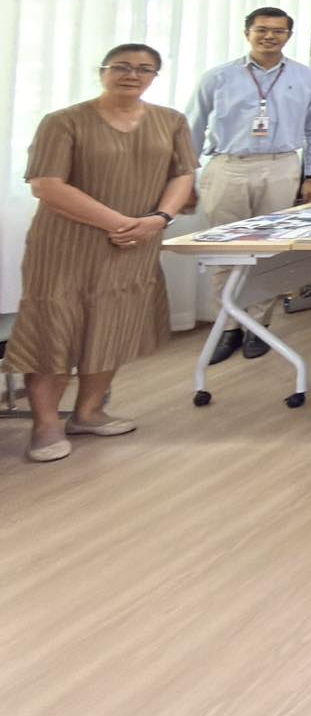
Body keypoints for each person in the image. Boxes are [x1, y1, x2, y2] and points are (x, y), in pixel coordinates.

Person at [9, 43, 196, 463]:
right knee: (54, 328)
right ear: (102, 72)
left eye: (144, 69)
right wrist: (120, 223)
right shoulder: (63, 121)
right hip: (67, 244)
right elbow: (46, 186)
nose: (132, 75)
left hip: (137, 241)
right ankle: (45, 425)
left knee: (113, 323)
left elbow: (183, 174)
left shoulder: (171, 121)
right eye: (122, 67)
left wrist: (158, 219)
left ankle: (89, 412)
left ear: (155, 76)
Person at [186, 6, 311, 364]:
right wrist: (186, 176)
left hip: (281, 166)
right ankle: (229, 325)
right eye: (262, 29)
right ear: (247, 32)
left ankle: (258, 324)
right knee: (226, 250)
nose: (270, 36)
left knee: (268, 251)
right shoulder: (218, 76)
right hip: (228, 165)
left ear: (288, 36)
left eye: (278, 31)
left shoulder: (308, 78)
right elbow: (193, 127)